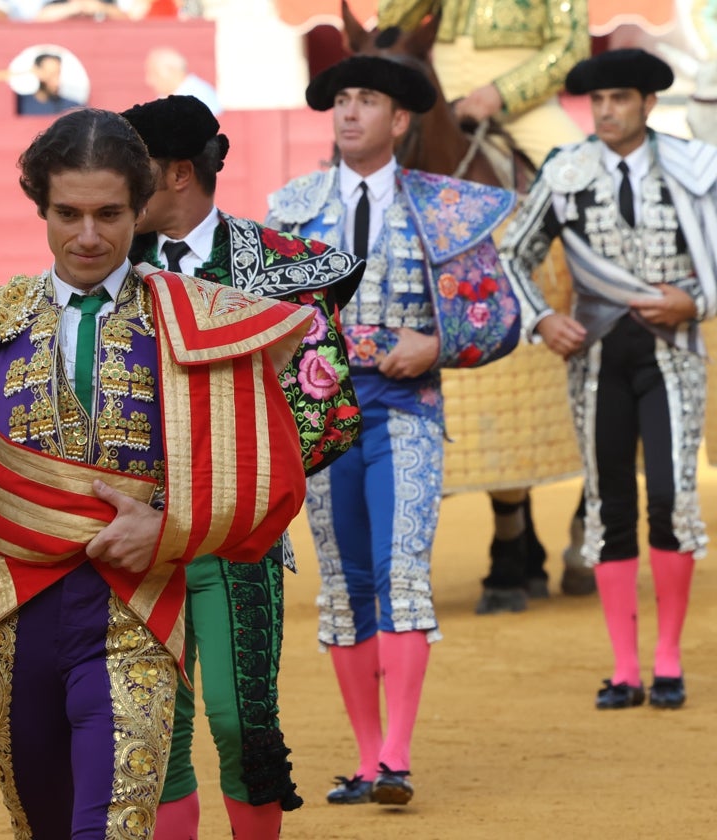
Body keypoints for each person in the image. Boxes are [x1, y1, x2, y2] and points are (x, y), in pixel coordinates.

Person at [0, 107, 319, 838]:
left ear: (141, 211)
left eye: (110, 214)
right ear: (40, 208)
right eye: (67, 213)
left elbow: (268, 481)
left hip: (135, 615)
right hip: (15, 618)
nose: (89, 237)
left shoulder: (193, 320)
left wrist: (168, 528)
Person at [266, 55, 521, 806]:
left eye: (365, 101)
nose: (348, 113)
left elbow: (497, 315)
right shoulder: (292, 208)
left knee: (401, 571)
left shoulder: (446, 207)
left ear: (400, 120)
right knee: (346, 584)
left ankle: (399, 757)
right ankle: (370, 757)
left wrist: (437, 347)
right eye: (340, 101)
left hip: (405, 409)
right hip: (323, 416)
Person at [122, 94, 364, 839]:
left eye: (131, 174)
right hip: (129, 535)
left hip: (236, 539)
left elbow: (325, 412)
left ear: (178, 174)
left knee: (240, 721)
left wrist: (231, 495)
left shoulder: (280, 270)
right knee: (154, 730)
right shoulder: (104, 278)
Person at [498, 48, 715, 711]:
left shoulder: (693, 167)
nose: (607, 111)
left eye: (620, 98)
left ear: (649, 104)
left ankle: (668, 658)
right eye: (598, 101)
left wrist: (696, 304)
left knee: (674, 497)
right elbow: (514, 253)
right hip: (595, 360)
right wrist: (540, 321)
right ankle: (625, 668)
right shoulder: (567, 171)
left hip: (671, 354)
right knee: (610, 500)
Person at [375, 0, 594, 613]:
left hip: (521, 108)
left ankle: (606, 317)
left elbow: (569, 46)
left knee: (587, 191)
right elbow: (393, 23)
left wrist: (499, 94)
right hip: (434, 93)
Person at [143, 46, 222, 116]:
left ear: (172, 71)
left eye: (155, 73)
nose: (149, 80)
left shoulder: (199, 96)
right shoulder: (166, 97)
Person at [16, 53, 83, 116]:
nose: (56, 82)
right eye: (50, 75)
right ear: (37, 72)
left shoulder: (74, 108)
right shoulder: (20, 103)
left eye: (57, 74)